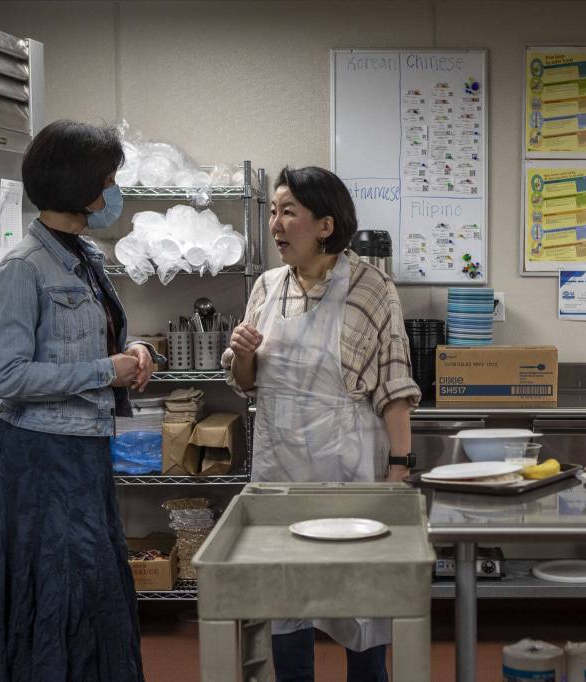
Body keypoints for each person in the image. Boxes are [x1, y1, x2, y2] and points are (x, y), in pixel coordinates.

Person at [0, 120, 164, 681]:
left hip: (83, 450)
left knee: (91, 583)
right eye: (106, 181)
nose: (111, 195)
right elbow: (5, 376)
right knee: (55, 587)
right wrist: (107, 370)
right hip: (38, 458)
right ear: (80, 186)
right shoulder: (23, 269)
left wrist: (136, 351)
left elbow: (93, 342)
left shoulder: (87, 257)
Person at [222, 166, 421, 682]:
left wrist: (399, 471)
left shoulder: (372, 288)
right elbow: (248, 383)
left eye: (289, 212)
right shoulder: (267, 287)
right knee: (286, 597)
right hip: (280, 470)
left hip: (348, 470)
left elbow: (394, 388)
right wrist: (243, 355)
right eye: (272, 211)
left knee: (361, 599)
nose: (275, 225)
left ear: (326, 225)